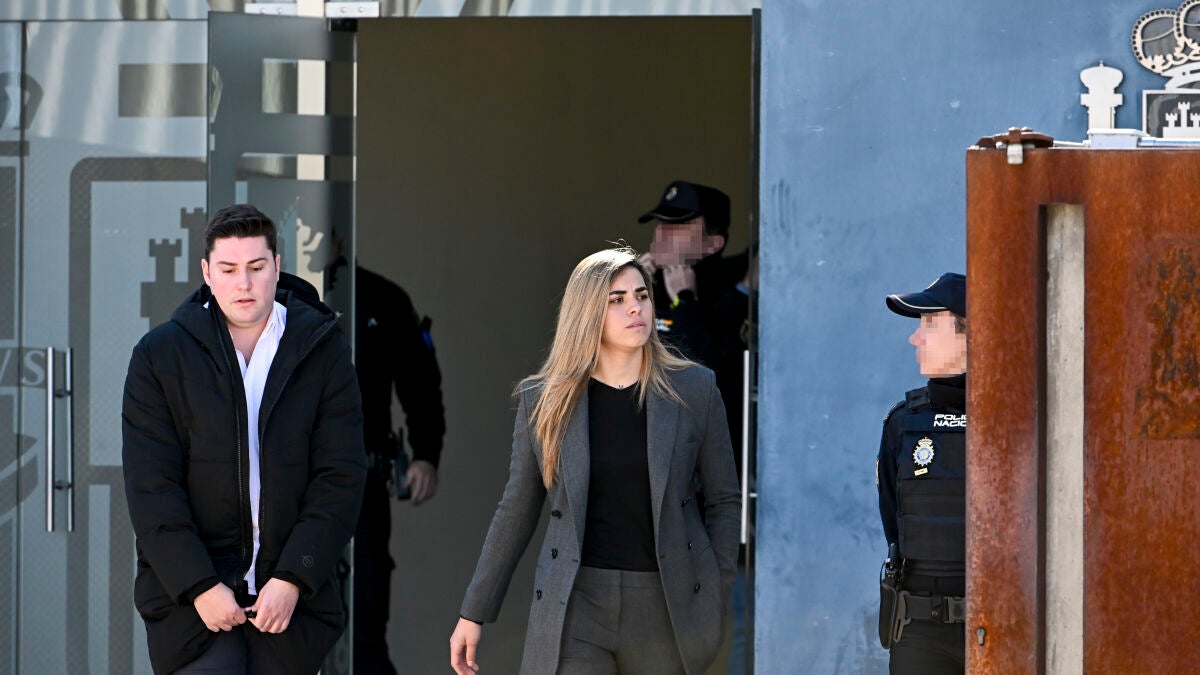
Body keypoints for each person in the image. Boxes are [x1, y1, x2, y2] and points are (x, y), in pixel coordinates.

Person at [448, 248, 741, 675]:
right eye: (616, 299)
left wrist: (715, 591)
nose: (635, 308)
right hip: (577, 604)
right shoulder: (544, 401)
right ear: (586, 314)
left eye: (641, 295)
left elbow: (724, 500)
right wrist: (474, 611)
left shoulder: (694, 390)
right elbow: (516, 509)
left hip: (666, 607)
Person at [121, 204, 367, 674]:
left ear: (277, 266)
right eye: (228, 269)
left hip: (291, 604)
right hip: (193, 608)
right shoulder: (160, 357)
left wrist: (294, 576)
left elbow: (340, 477)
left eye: (256, 267)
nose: (244, 284)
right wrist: (198, 585)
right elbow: (152, 490)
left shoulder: (323, 349)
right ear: (206, 273)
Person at [352, 264, 446, 675]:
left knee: (366, 626)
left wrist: (426, 453)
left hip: (362, 483)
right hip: (287, 492)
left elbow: (419, 380)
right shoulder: (275, 294)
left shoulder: (379, 297)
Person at [876, 272, 968, 674]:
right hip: (919, 631)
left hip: (1002, 624)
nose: (915, 338)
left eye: (930, 324)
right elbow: (894, 522)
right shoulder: (903, 422)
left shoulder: (1016, 418)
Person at [636, 180, 747, 449]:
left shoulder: (730, 300)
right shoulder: (642, 290)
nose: (661, 232)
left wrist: (684, 301)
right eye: (660, 222)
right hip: (638, 450)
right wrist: (628, 292)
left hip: (698, 458)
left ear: (712, 244)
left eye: (678, 225)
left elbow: (708, 371)